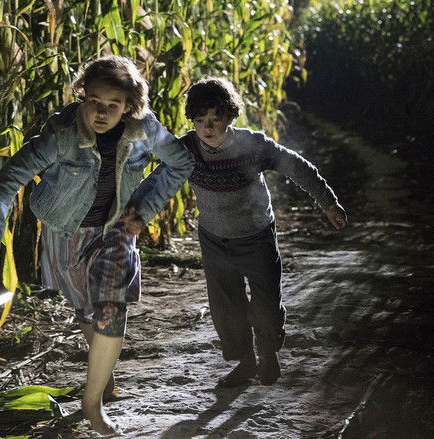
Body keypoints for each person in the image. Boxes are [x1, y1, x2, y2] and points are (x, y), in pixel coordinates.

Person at [0, 55, 194, 435]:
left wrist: (144, 210)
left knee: (110, 305)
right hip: (65, 232)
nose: (102, 113)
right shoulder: (61, 134)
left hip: (116, 231)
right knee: (86, 309)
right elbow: (7, 181)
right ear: (82, 96)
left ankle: (91, 405)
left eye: (113, 105)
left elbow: (181, 164)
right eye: (94, 101)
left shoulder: (146, 130)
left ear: (130, 105)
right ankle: (102, 378)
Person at [129, 77, 348, 387]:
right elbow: (158, 182)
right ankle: (246, 363)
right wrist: (133, 211)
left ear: (230, 117)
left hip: (256, 236)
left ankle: (268, 353)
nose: (207, 127)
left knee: (266, 304)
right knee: (226, 308)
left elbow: (296, 167)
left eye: (215, 120)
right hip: (214, 240)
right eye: (200, 120)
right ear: (192, 120)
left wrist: (328, 202)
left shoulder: (253, 146)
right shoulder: (187, 150)